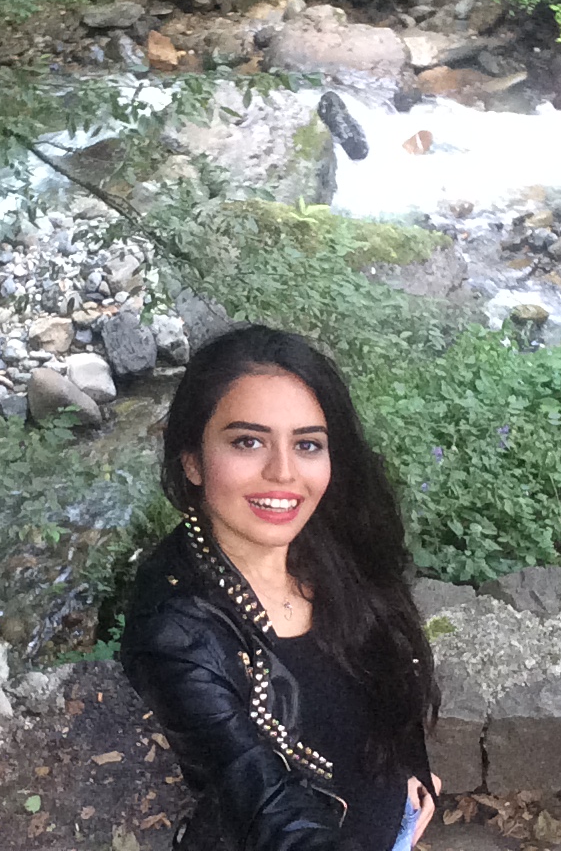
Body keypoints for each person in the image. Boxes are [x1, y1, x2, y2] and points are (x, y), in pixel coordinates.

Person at [121, 324, 442, 851]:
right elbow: (266, 805)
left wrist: (409, 769)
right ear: (192, 459)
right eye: (248, 442)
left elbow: (385, 671)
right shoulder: (177, 633)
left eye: (307, 444)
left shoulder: (331, 543)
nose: (284, 473)